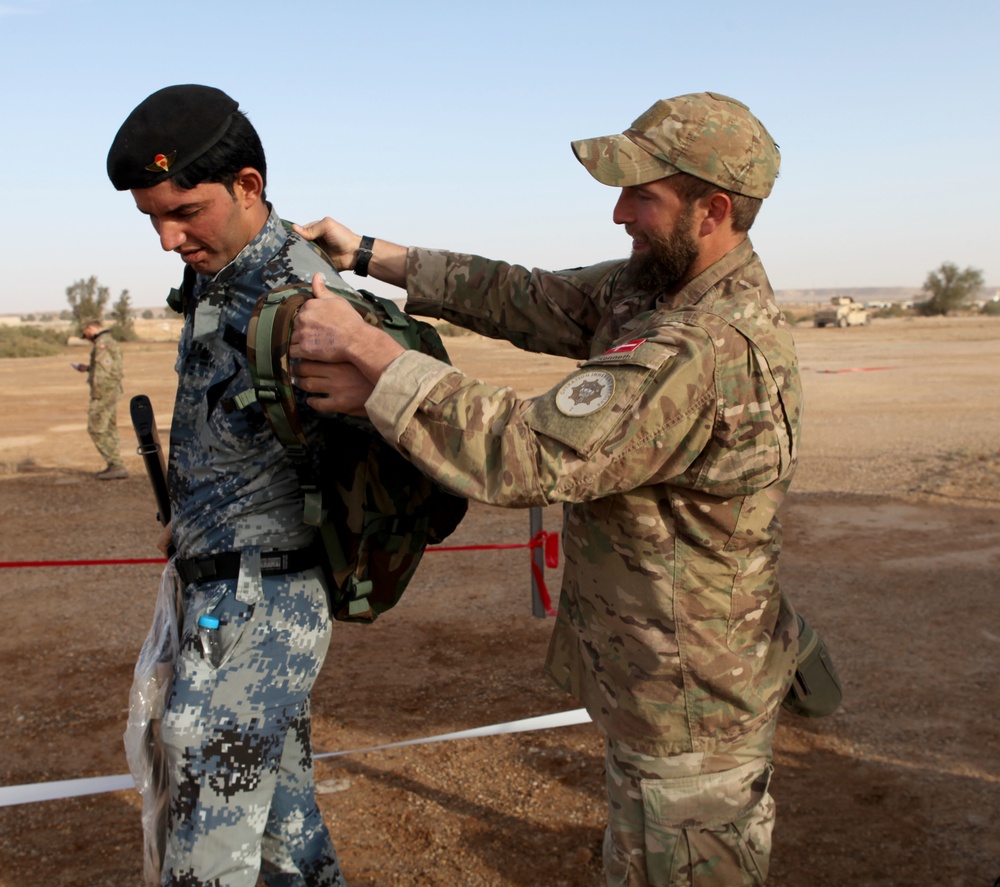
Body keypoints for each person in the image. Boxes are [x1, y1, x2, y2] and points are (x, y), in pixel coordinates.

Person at [289, 92, 801, 886]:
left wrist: (367, 352)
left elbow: (527, 451)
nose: (619, 213)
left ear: (714, 210)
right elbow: (522, 294)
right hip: (652, 686)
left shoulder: (701, 347)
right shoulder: (658, 289)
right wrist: (367, 255)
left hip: (691, 706)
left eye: (642, 194)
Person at [107, 85, 352, 887]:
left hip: (260, 600)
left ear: (248, 185)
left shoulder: (297, 295)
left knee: (205, 847)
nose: (168, 237)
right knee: (285, 829)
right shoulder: (227, 275)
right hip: (228, 579)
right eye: (153, 218)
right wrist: (197, 515)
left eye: (185, 211)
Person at [73, 318, 127, 479]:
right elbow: (108, 367)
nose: (86, 337)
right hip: (111, 391)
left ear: (90, 328)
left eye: (86, 333)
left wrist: (98, 394)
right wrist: (88, 368)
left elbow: (105, 373)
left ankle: (116, 465)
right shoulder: (109, 341)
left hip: (104, 392)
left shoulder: (102, 344)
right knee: (110, 428)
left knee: (96, 428)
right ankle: (114, 465)